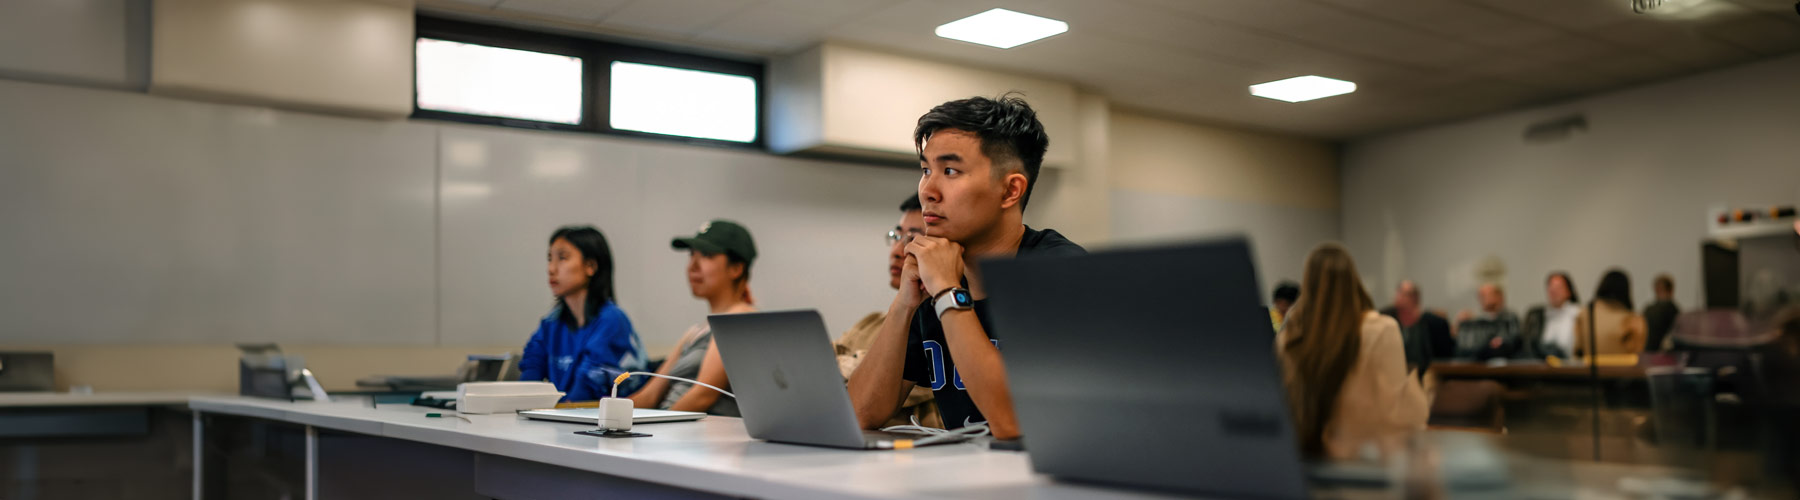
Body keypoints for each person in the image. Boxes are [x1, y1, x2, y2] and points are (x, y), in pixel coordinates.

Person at [847, 95, 1085, 440]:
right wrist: (904, 303)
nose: (928, 190)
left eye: (950, 171)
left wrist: (946, 292)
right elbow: (860, 414)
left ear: (1010, 190)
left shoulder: (1057, 270)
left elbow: (1013, 423)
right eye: (926, 170)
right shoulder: (935, 274)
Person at [1278, 243, 1428, 459]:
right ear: (1353, 281)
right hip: (1362, 458)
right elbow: (1395, 410)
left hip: (1300, 458)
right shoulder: (1382, 328)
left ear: (1307, 284)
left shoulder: (1290, 335)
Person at [628, 220, 759, 416]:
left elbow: (703, 395)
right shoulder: (695, 331)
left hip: (689, 437)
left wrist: (657, 432)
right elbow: (650, 395)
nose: (692, 266)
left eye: (706, 255)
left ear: (736, 268)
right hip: (669, 430)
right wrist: (603, 415)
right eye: (691, 255)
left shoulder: (740, 319)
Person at [834, 194, 941, 428]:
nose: (896, 250)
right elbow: (818, 360)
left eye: (912, 237)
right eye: (897, 236)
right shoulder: (871, 322)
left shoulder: (940, 324)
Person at [518, 226, 649, 402]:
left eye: (562, 258)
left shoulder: (612, 320)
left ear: (590, 266)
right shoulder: (551, 323)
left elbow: (584, 394)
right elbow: (529, 379)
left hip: (606, 424)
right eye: (550, 259)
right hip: (563, 420)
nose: (551, 268)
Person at [1380, 280, 1453, 374]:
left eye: (1404, 294)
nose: (1398, 297)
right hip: (1395, 374)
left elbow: (1445, 358)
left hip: (1428, 377)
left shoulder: (1436, 324)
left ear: (1415, 298)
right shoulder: (1386, 319)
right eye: (1398, 292)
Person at [1575, 270, 1648, 362]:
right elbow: (1637, 352)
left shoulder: (1585, 314)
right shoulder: (1633, 320)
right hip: (1622, 372)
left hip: (1590, 372)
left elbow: (1577, 348)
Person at [1453, 283, 1523, 360]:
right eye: (1481, 295)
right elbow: (1465, 348)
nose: (1483, 298)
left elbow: (1515, 341)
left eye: (1488, 294)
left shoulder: (1510, 319)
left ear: (1500, 296)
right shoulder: (1472, 322)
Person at [1521, 272, 1581, 360]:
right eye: (1551, 287)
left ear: (1568, 291)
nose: (1554, 291)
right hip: (1544, 365)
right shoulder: (1537, 316)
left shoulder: (1578, 314)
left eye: (1558, 288)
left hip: (1571, 364)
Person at [1643, 274, 1680, 352]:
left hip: (1646, 353)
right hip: (1665, 356)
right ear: (1671, 290)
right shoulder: (1672, 309)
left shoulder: (1648, 309)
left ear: (1656, 289)